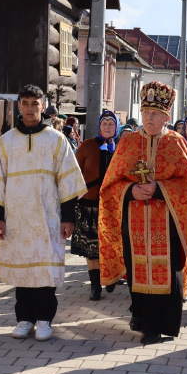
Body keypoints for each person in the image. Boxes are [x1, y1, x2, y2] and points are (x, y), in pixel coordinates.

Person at [0, 84, 87, 342]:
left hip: (48, 218)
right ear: (19, 106)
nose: (30, 108)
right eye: (25, 103)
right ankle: (24, 319)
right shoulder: (6, 142)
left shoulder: (56, 140)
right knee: (23, 271)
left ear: (43, 106)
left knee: (45, 272)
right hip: (17, 219)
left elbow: (68, 183)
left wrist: (68, 217)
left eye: (34, 103)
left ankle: (44, 320)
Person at [98, 81, 187, 345]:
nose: (149, 118)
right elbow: (110, 184)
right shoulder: (129, 141)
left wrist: (159, 188)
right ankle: (141, 317)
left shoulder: (176, 142)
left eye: (155, 114)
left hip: (167, 221)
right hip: (134, 221)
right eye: (146, 113)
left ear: (166, 116)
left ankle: (160, 324)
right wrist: (130, 190)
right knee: (137, 270)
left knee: (167, 272)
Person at [72, 110, 120, 301]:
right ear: (99, 126)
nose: (107, 127)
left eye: (111, 124)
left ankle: (111, 277)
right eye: (104, 123)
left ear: (116, 127)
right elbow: (74, 171)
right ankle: (95, 286)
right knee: (91, 248)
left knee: (113, 244)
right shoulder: (87, 145)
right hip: (89, 204)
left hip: (113, 206)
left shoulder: (121, 148)